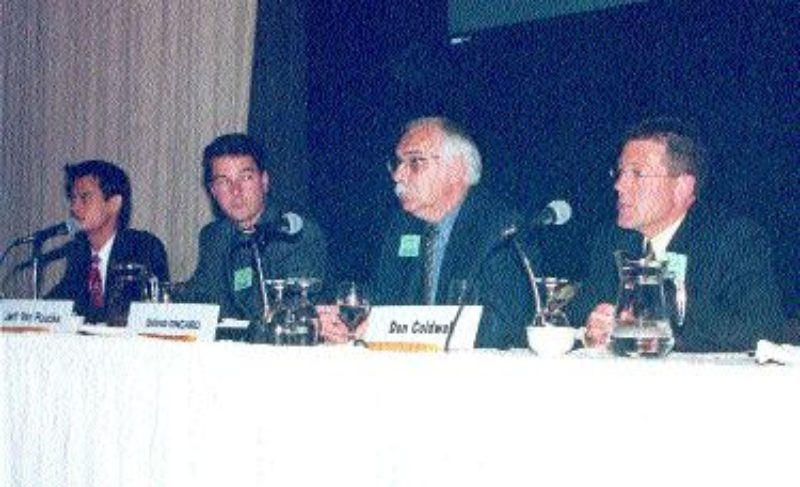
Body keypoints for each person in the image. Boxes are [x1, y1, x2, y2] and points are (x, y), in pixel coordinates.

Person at [570, 117, 785, 352]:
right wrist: (593, 326)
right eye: (620, 172)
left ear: (682, 187)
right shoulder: (611, 239)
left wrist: (656, 315)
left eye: (637, 174)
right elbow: (576, 318)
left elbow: (763, 333)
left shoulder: (734, 239)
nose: (620, 185)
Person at [322, 116, 535, 348]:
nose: (398, 175)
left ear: (456, 169)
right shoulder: (402, 225)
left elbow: (507, 325)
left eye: (415, 162)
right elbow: (384, 301)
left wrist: (406, 332)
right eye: (397, 163)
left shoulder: (500, 228)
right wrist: (349, 325)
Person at [179, 133, 327, 320]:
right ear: (213, 192)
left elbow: (293, 311)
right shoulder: (214, 236)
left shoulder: (295, 232)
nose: (236, 191)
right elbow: (200, 299)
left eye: (246, 177)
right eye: (224, 181)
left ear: (264, 181)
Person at [47, 160, 169, 323]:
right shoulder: (79, 251)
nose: (74, 208)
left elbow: (149, 312)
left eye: (84, 197)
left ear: (114, 203)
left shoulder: (144, 247)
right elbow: (61, 300)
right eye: (73, 198)